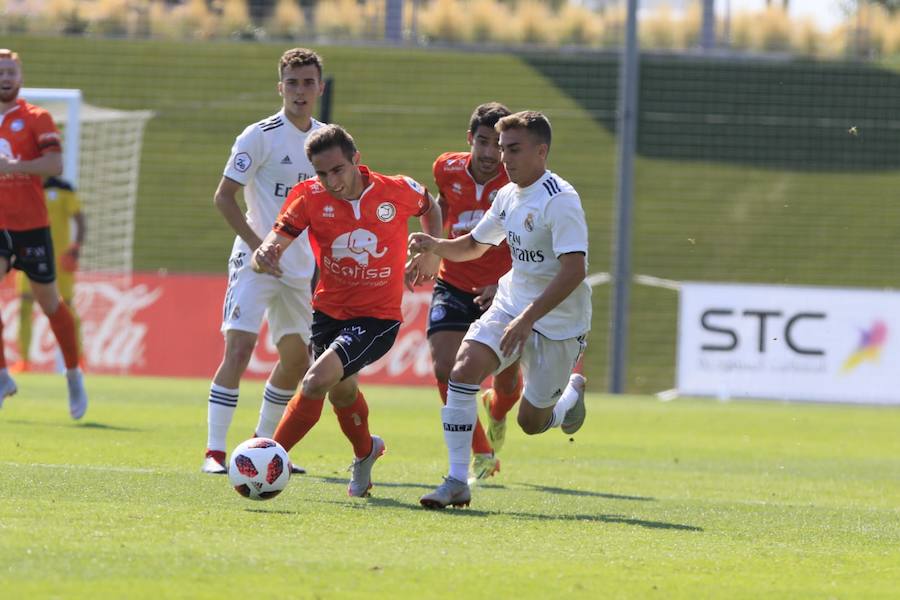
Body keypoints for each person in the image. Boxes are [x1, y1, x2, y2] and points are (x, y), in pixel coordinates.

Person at [408, 111, 591, 509]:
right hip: (510, 304)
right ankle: (457, 479)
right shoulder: (508, 195)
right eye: (503, 148)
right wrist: (435, 246)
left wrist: (529, 319)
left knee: (531, 422)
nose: (504, 158)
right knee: (461, 372)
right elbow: (475, 244)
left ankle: (569, 398)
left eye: (514, 149)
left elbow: (574, 270)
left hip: (558, 322)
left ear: (541, 151)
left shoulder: (560, 200)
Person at [251, 124, 442, 497]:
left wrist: (431, 251)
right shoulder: (307, 197)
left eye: (338, 170)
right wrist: (265, 255)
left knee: (314, 381)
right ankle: (366, 451)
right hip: (328, 313)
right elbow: (273, 243)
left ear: (356, 159)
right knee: (342, 393)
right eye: (322, 173)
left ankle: (268, 459)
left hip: (377, 317)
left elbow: (429, 206)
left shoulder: (395, 190)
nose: (331, 181)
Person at [202, 48, 326, 475]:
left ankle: (265, 446)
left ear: (320, 88)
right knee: (239, 349)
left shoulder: (328, 142)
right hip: (255, 260)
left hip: (300, 267)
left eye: (307, 82)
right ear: (280, 88)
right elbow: (224, 196)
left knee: (298, 361)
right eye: (292, 83)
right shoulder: (259, 135)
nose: (299, 91)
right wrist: (260, 247)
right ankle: (214, 452)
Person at [426, 102, 523, 481]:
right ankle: (482, 453)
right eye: (482, 142)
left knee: (509, 385)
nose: (489, 153)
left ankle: (497, 409)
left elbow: (532, 243)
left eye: (497, 145)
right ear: (470, 139)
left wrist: (501, 283)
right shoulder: (445, 168)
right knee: (444, 368)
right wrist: (432, 249)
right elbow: (440, 204)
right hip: (452, 283)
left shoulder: (517, 184)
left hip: (503, 294)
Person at [0, 48, 88, 419]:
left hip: (32, 226)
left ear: (20, 78)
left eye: (11, 72)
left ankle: (73, 373)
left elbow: (54, 163)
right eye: (0, 72)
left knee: (50, 305)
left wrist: (12, 166)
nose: (5, 78)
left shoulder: (36, 117)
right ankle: (3, 376)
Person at [12, 176, 85, 373]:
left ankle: (78, 358)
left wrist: (75, 248)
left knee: (66, 306)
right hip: (30, 254)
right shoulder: (24, 186)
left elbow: (80, 218)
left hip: (59, 259)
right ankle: (24, 360)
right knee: (25, 306)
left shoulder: (63, 188)